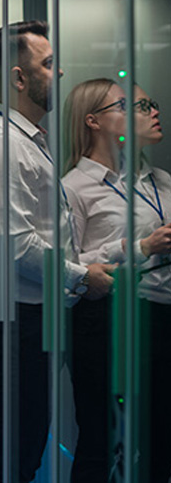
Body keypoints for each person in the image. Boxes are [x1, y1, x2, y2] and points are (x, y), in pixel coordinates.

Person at [0, 20, 114, 482]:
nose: (60, 72)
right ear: (18, 78)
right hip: (12, 325)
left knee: (20, 452)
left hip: (30, 321)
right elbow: (14, 244)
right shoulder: (1, 145)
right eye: (48, 64)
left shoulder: (26, 140)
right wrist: (81, 277)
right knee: (6, 457)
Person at [61, 80, 171, 482]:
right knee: (102, 440)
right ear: (94, 121)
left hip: (159, 316)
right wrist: (139, 246)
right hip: (105, 320)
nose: (152, 111)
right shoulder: (74, 187)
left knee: (160, 442)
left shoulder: (158, 180)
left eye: (149, 103)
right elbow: (69, 266)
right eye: (134, 105)